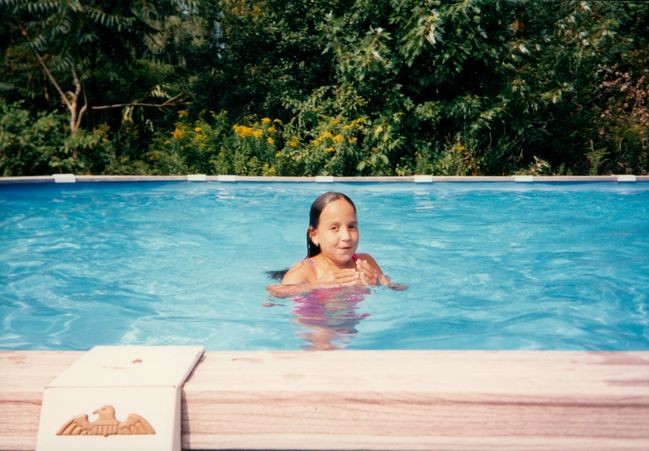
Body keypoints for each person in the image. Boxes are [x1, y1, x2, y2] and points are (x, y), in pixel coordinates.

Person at [266, 191, 406, 298]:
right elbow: (274, 292)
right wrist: (318, 285)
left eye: (351, 226)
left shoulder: (365, 262)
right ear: (314, 235)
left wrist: (379, 282)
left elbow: (398, 288)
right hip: (315, 324)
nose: (346, 237)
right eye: (334, 228)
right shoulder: (305, 271)